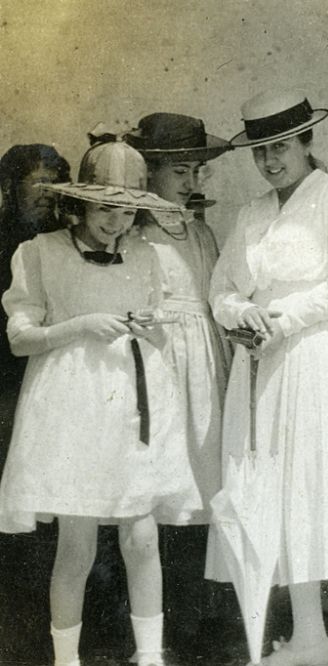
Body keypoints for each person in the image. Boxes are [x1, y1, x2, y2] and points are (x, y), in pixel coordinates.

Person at [208, 89, 328, 666]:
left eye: (282, 147)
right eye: (261, 151)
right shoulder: (251, 215)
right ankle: (311, 637)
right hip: (267, 365)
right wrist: (239, 314)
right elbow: (220, 289)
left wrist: (284, 318)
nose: (271, 161)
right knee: (284, 493)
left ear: (305, 143)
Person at [0, 137, 202, 666]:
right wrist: (81, 325)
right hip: (71, 408)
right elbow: (21, 337)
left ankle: (150, 655)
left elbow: (162, 334)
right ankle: (66, 660)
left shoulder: (150, 257)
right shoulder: (40, 254)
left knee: (141, 537)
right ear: (80, 203)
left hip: (133, 405)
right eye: (105, 208)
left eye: (127, 209)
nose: (116, 222)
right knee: (78, 545)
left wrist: (153, 330)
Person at [125, 112, 233, 648]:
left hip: (203, 364)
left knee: (203, 479)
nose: (190, 184)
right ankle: (151, 618)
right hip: (161, 363)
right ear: (149, 175)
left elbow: (216, 299)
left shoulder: (202, 232)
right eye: (179, 173)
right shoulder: (137, 237)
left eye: (196, 173)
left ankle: (196, 614)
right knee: (159, 483)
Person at [0, 144, 71, 448]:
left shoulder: (66, 240)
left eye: (53, 184)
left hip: (52, 363)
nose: (46, 193)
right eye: (37, 183)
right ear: (8, 187)